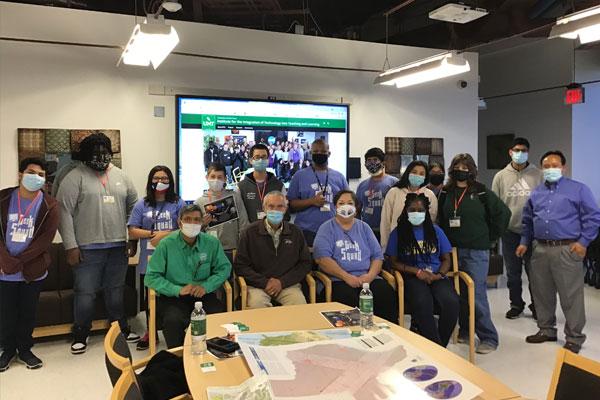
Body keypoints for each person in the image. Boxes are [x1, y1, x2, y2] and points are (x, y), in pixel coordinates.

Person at [56, 132, 139, 354]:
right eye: (96, 152)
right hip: (86, 249)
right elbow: (63, 212)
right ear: (86, 155)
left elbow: (135, 208)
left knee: (115, 291)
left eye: (105, 151)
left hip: (118, 246)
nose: (101, 156)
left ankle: (120, 329)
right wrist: (70, 246)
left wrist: (133, 239)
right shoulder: (75, 177)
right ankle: (81, 333)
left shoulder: (122, 177)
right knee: (85, 292)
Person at [517, 150, 600, 354]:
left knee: (570, 296)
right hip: (540, 249)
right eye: (546, 166)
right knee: (542, 293)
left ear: (564, 168)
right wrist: (524, 242)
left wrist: (583, 242)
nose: (551, 169)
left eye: (555, 165)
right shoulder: (536, 192)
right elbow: (527, 220)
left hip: (567, 249)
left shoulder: (578, 190)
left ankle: (574, 337)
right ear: (542, 168)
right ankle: (546, 330)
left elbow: (593, 217)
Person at [438, 153, 510, 354]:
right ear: (452, 169)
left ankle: (488, 337)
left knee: (476, 294)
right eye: (457, 166)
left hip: (477, 251)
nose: (461, 170)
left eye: (465, 166)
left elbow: (503, 214)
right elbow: (442, 220)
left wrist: (491, 238)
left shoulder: (481, 192)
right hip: (452, 252)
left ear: (471, 170)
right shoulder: (445, 192)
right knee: (458, 294)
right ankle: (465, 331)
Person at [0, 158, 60, 371]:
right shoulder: (4, 198)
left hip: (32, 270)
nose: (36, 177)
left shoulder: (50, 204)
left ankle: (25, 349)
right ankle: (6, 350)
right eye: (31, 172)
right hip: (3, 270)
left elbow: (45, 240)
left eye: (41, 175)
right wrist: (6, 261)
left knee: (28, 312)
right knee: (5, 313)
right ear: (20, 174)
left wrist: (17, 262)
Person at [144, 204, 231, 348]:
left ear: (202, 222)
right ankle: (179, 359)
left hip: (203, 293)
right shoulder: (166, 244)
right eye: (188, 219)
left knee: (216, 314)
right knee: (173, 320)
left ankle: (212, 353)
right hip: (174, 296)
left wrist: (206, 286)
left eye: (197, 220)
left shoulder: (212, 243)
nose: (192, 223)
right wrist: (176, 290)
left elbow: (224, 268)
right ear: (180, 222)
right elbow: (151, 277)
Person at [313, 190, 397, 323]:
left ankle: (384, 334)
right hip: (338, 280)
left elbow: (377, 256)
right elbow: (322, 258)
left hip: (367, 278)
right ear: (335, 207)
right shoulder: (326, 228)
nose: (345, 206)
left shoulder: (364, 227)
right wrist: (346, 277)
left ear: (356, 207)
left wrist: (369, 277)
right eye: (341, 203)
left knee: (385, 294)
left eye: (350, 203)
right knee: (346, 299)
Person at [386, 193, 459, 347]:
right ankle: (435, 348)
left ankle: (439, 347)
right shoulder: (398, 233)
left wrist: (439, 274)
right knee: (423, 302)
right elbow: (392, 262)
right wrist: (417, 272)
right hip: (412, 277)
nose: (416, 213)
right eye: (413, 209)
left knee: (452, 302)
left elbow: (447, 259)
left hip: (436, 276)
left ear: (426, 212)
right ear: (406, 211)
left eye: (420, 210)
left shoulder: (436, 231)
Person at [127, 166, 185, 350]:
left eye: (165, 178)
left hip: (174, 260)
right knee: (149, 299)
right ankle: (151, 332)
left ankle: (174, 330)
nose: (160, 181)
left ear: (171, 182)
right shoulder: (142, 204)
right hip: (149, 260)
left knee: (172, 298)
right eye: (157, 178)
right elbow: (132, 230)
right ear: (150, 181)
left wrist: (166, 234)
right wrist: (153, 234)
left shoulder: (178, 203)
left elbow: (185, 227)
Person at [492, 138, 543, 320]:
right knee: (513, 274)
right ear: (510, 152)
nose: (520, 153)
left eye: (523, 150)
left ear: (528, 152)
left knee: (535, 274)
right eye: (516, 150)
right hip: (509, 232)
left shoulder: (538, 175)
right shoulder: (500, 176)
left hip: (534, 233)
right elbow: (495, 205)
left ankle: (537, 306)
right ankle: (516, 304)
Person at [234, 191, 312, 308]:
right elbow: (241, 266)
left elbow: (305, 263)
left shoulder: (296, 232)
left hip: (287, 285)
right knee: (257, 305)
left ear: (285, 209)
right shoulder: (249, 232)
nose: (275, 210)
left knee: (299, 305)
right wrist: (265, 282)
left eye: (280, 206)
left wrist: (282, 282)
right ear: (264, 208)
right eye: (271, 206)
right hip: (258, 286)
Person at [287, 139, 349, 246]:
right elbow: (291, 205)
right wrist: (312, 201)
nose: (319, 154)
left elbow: (348, 204)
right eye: (315, 152)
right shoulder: (299, 176)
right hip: (306, 231)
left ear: (329, 154)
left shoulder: (339, 177)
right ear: (310, 153)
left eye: (323, 152)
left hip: (334, 231)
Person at [380, 161, 438, 250]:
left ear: (426, 177)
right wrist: (385, 247)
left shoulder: (430, 195)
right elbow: (386, 222)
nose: (417, 175)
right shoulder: (394, 192)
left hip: (421, 244)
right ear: (408, 173)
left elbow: (432, 220)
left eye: (422, 174)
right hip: (397, 241)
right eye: (414, 172)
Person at [195, 163, 248, 251]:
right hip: (209, 250)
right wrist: (202, 224)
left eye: (220, 177)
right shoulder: (199, 203)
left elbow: (244, 223)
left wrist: (242, 247)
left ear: (225, 179)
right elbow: (192, 232)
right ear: (207, 178)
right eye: (212, 176)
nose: (216, 180)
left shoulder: (234, 197)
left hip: (233, 249)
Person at [356, 148, 398, 242]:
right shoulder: (362, 186)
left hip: (389, 229)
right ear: (365, 164)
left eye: (375, 159)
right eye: (369, 160)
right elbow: (357, 209)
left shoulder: (394, 182)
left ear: (383, 163)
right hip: (368, 230)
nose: (372, 163)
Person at [237, 144, 285, 223]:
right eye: (257, 157)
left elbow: (285, 211)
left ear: (268, 160)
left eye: (263, 157)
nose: (260, 160)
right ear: (251, 160)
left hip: (273, 230)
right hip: (250, 231)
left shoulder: (279, 186)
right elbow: (239, 214)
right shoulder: (241, 187)